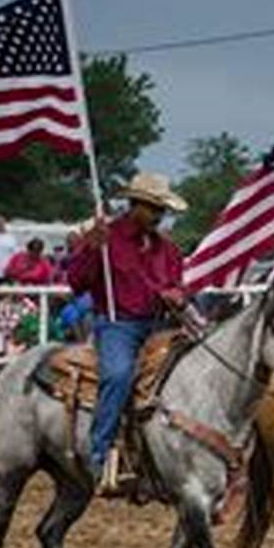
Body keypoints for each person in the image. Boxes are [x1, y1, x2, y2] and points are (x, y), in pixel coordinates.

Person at [67, 172, 187, 492]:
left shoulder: (169, 250)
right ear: (135, 205)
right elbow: (77, 282)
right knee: (119, 374)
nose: (160, 216)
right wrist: (91, 249)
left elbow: (178, 286)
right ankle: (99, 450)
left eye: (162, 210)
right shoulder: (106, 239)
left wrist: (177, 295)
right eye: (153, 208)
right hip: (119, 324)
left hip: (161, 324)